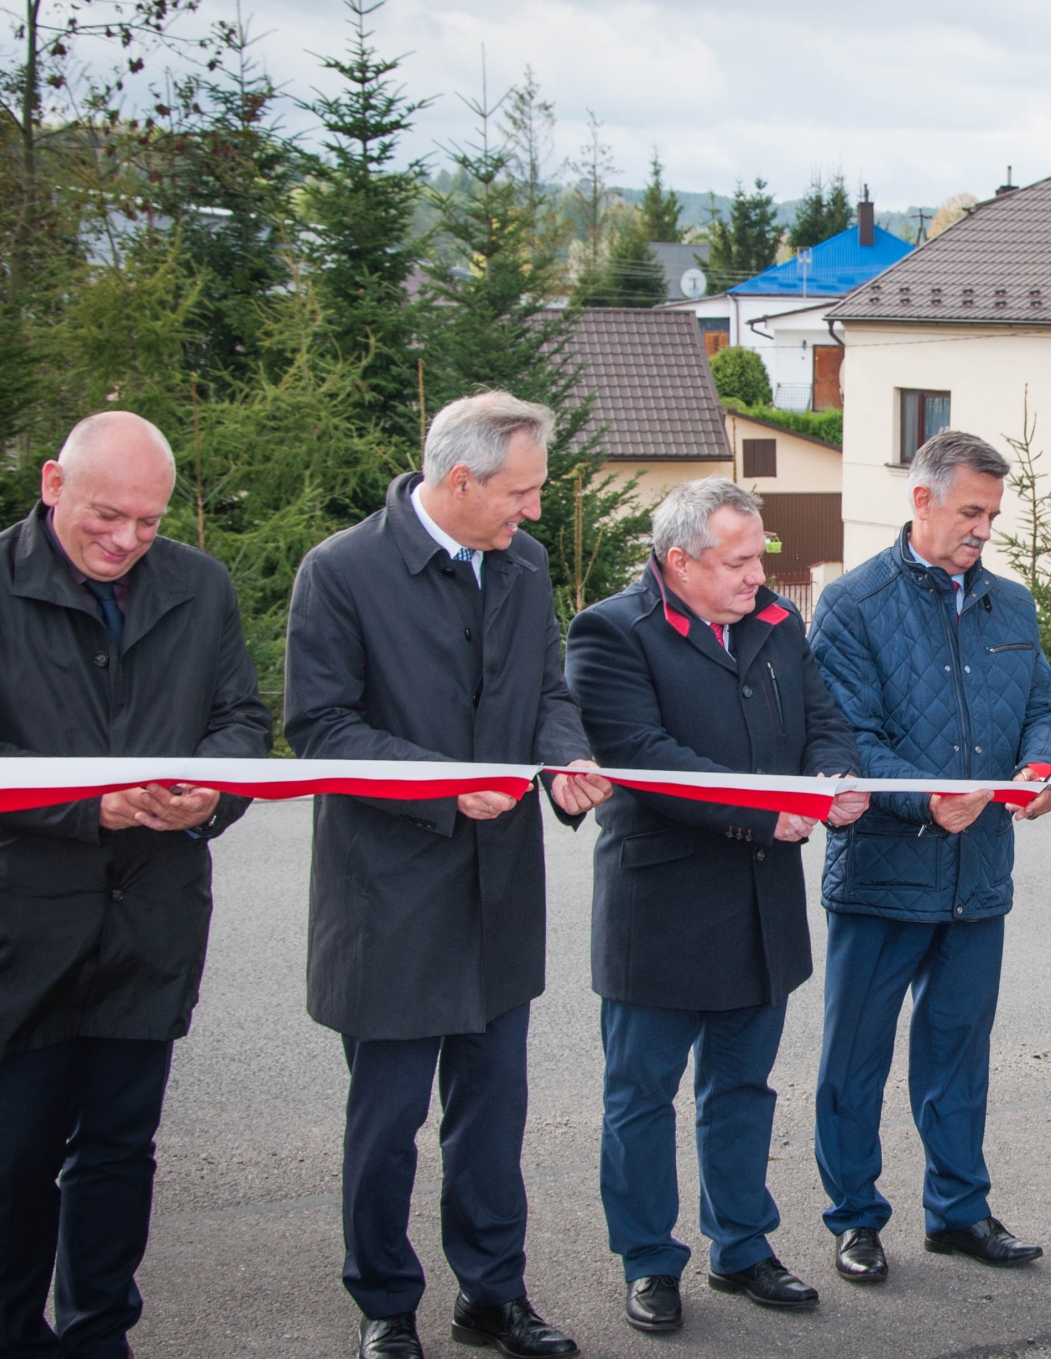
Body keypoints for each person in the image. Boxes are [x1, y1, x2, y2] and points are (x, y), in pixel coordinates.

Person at [0, 411, 273, 1359]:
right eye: (106, 516)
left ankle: (98, 1335)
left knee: (119, 1155)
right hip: (15, 932)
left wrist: (211, 794)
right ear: (51, 484)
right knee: (8, 1166)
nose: (126, 540)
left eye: (149, 523)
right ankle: (2, 1342)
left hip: (151, 924)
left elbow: (243, 719)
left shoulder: (200, 587)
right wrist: (92, 805)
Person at [285, 392, 611, 1359]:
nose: (535, 512)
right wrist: (443, 790)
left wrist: (567, 758)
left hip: (497, 897)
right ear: (458, 480)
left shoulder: (524, 566)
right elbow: (321, 727)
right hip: (386, 901)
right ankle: (386, 1303)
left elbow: (548, 691)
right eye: (522, 491)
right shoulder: (340, 572)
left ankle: (493, 1294)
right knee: (386, 1126)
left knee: (491, 1117)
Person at [565, 477, 864, 1335]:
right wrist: (767, 812)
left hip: (759, 907)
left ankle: (742, 1244)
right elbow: (641, 755)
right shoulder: (611, 632)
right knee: (642, 1095)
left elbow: (824, 719)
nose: (755, 574)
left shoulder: (776, 622)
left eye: (759, 554)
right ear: (678, 560)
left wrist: (834, 779)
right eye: (735, 561)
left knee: (742, 1088)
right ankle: (650, 1260)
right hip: (660, 906)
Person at [809, 430, 1051, 1283]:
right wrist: (927, 797)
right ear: (920, 501)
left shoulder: (1013, 605)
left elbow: (1046, 708)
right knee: (856, 1061)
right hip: (884, 875)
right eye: (970, 511)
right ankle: (855, 1218)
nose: (984, 530)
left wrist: (1042, 767)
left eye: (992, 514)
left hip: (978, 877)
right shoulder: (851, 604)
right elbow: (847, 739)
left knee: (958, 1056)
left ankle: (958, 1211)